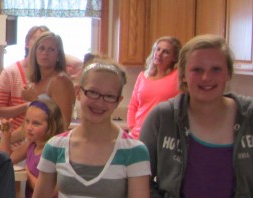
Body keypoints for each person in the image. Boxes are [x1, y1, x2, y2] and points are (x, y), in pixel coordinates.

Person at [140, 35, 253, 197]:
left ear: (228, 73)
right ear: (183, 74)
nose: (206, 78)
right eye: (197, 70)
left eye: (216, 69)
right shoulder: (162, 118)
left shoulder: (249, 116)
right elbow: (139, 178)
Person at [34, 61, 151, 198]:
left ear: (118, 101)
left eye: (109, 96)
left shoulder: (134, 151)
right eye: (93, 92)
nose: (100, 102)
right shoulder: (55, 147)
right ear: (78, 92)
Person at [0, 25, 50, 152]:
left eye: (45, 44)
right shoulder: (11, 72)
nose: (39, 46)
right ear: (27, 44)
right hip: (14, 146)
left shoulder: (50, 77)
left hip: (41, 148)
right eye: (36, 39)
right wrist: (27, 105)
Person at [127, 36, 182, 138]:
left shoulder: (179, 76)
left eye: (166, 52)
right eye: (158, 49)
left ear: (174, 57)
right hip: (138, 134)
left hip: (164, 136)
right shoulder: (143, 76)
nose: (159, 54)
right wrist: (132, 127)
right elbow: (133, 105)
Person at [9, 97, 64, 198]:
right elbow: (7, 160)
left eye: (36, 123)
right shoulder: (31, 145)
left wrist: (27, 174)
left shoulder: (53, 151)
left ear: (52, 126)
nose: (29, 127)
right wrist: (5, 134)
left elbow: (49, 192)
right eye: (27, 121)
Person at [22, 32, 75, 130]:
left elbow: (63, 124)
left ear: (58, 56)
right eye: (42, 48)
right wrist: (6, 138)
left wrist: (35, 99)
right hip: (34, 142)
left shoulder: (60, 81)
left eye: (51, 49)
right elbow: (30, 127)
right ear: (35, 52)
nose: (45, 53)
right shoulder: (35, 83)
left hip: (51, 143)